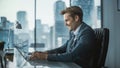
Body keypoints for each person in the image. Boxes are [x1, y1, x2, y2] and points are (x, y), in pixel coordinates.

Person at [30, 6, 96, 68]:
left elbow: (72, 56)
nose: (65, 24)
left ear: (76, 18)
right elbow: (61, 49)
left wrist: (45, 57)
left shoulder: (86, 32)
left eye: (67, 20)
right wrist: (44, 53)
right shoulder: (75, 33)